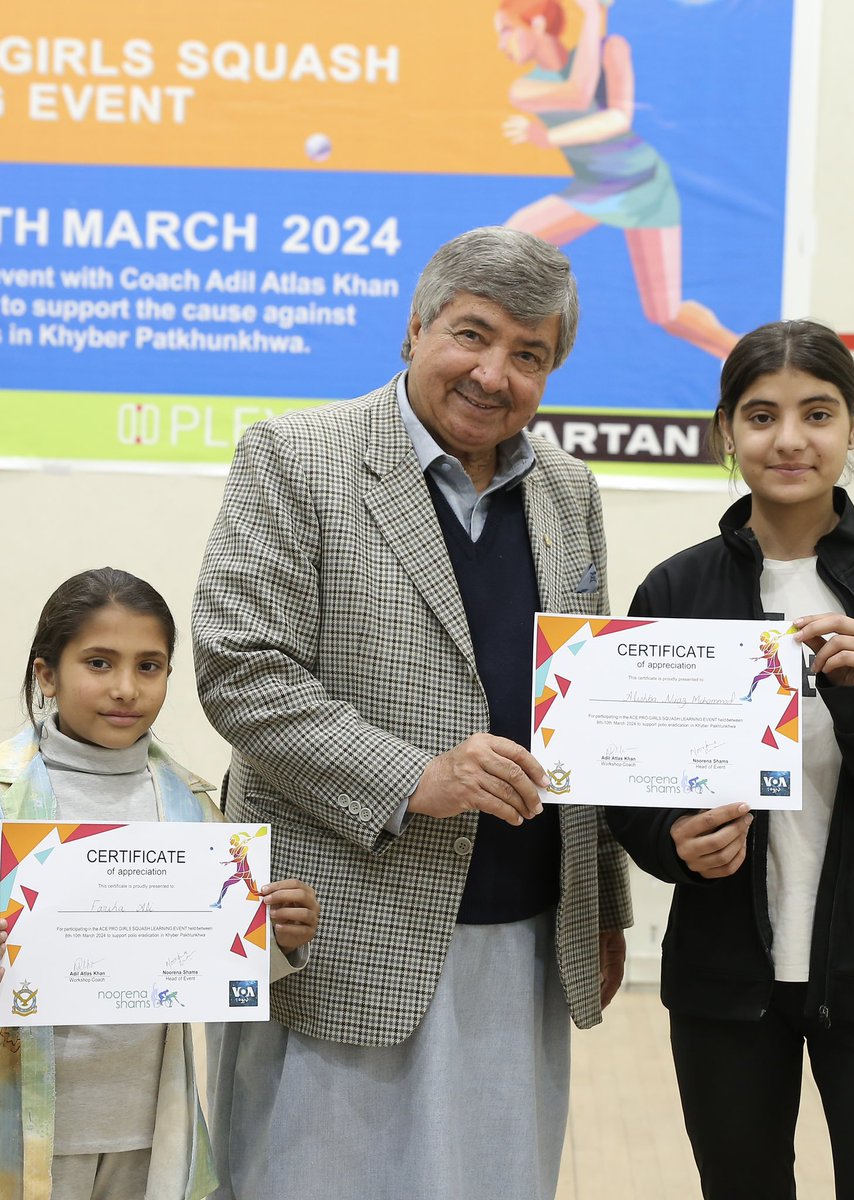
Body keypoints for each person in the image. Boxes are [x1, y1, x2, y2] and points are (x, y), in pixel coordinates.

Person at [192, 225, 632, 1200]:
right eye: (472, 335)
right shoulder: (295, 458)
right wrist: (414, 778)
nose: (493, 373)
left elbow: (588, 712)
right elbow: (241, 669)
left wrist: (604, 907)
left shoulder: (568, 492)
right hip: (349, 924)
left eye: (530, 355)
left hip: (522, 933)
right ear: (416, 327)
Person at [606, 320, 854, 1199]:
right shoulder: (676, 589)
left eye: (817, 413)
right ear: (724, 432)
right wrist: (672, 843)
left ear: (853, 424)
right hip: (725, 978)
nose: (790, 439)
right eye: (762, 415)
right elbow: (628, 786)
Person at [0, 568, 319, 1200]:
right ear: (46, 675)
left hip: (146, 1125)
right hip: (26, 1122)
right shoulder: (9, 801)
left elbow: (215, 968)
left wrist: (278, 937)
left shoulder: (189, 802)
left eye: (150, 666)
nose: (125, 688)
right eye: (99, 662)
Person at [496, 0, 738, 358]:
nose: (502, 43)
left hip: (643, 184)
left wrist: (595, 13)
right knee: (512, 237)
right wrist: (596, 13)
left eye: (506, 31)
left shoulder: (613, 49)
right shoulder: (526, 88)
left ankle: (743, 355)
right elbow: (578, 91)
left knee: (666, 312)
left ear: (538, 25)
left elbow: (616, 119)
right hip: (595, 188)